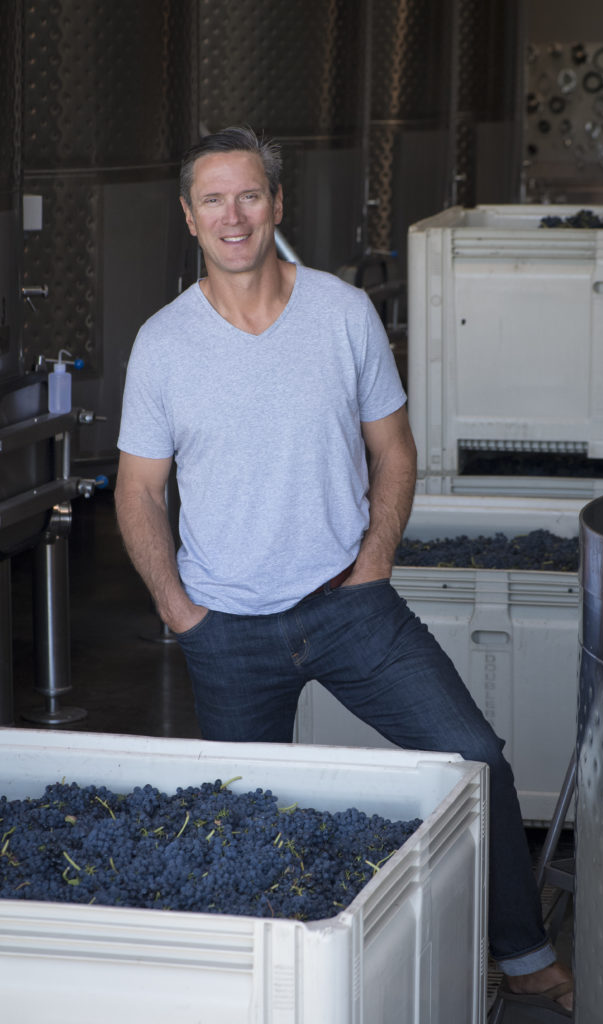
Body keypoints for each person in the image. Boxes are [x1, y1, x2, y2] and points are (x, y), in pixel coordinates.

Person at [115, 126, 573, 1015]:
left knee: (475, 763)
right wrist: (180, 610)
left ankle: (524, 957)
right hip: (229, 630)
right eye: (213, 199)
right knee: (243, 819)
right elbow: (138, 490)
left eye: (250, 195)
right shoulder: (163, 344)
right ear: (188, 217)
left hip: (349, 605)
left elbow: (393, 450)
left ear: (277, 205)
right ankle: (277, 991)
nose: (233, 215)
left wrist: (372, 565)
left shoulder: (340, 314)